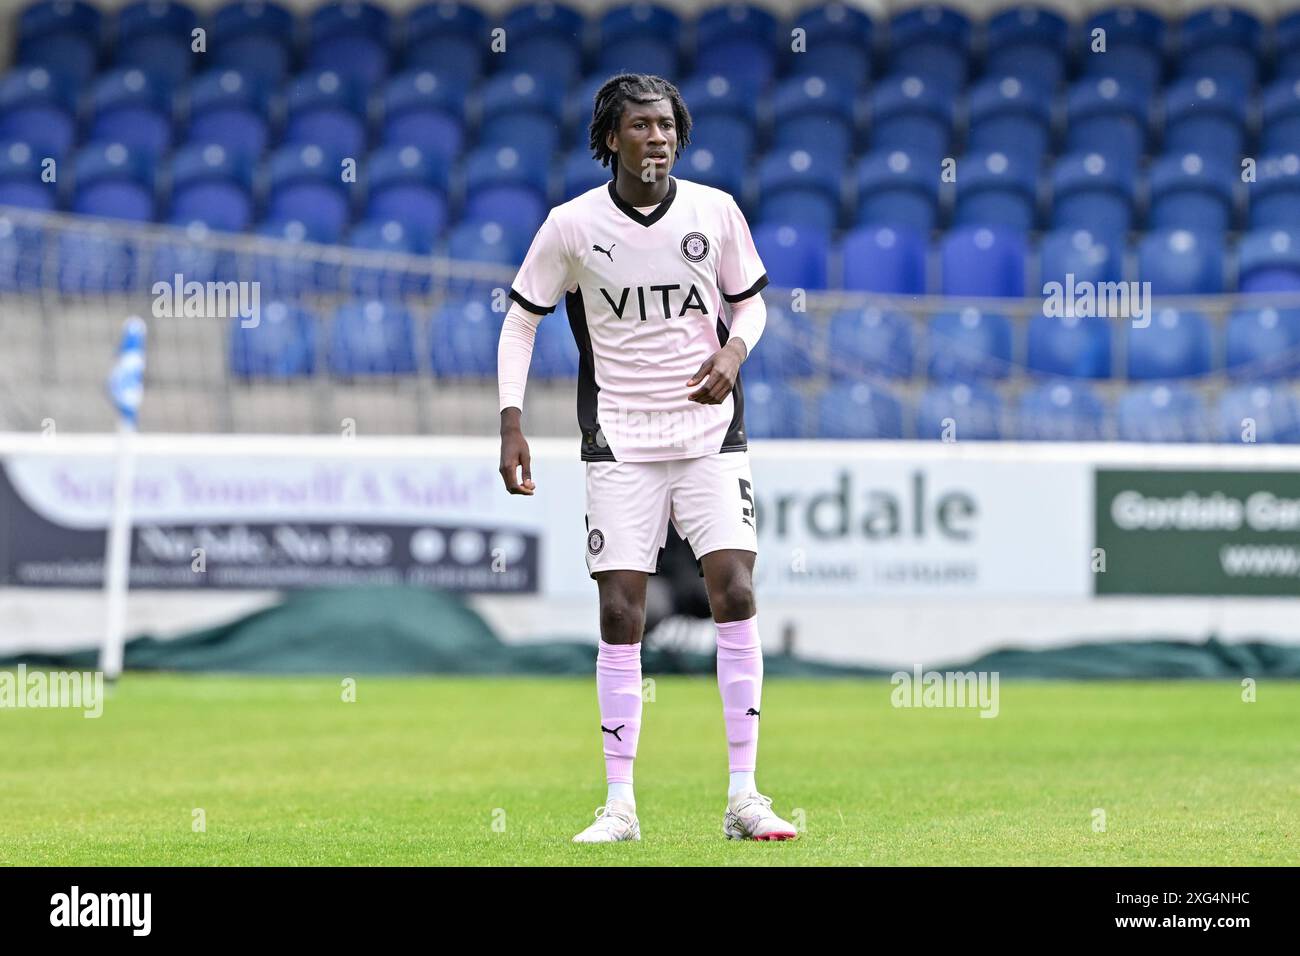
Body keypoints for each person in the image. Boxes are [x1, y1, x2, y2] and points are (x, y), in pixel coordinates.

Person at [496, 73, 796, 844]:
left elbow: (753, 300)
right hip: (620, 440)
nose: (656, 137)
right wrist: (511, 422)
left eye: (666, 125)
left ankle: (744, 796)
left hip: (709, 436)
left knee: (734, 590)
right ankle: (620, 805)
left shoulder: (714, 211)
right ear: (610, 139)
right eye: (640, 126)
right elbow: (522, 321)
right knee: (620, 611)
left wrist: (734, 348)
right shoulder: (571, 226)